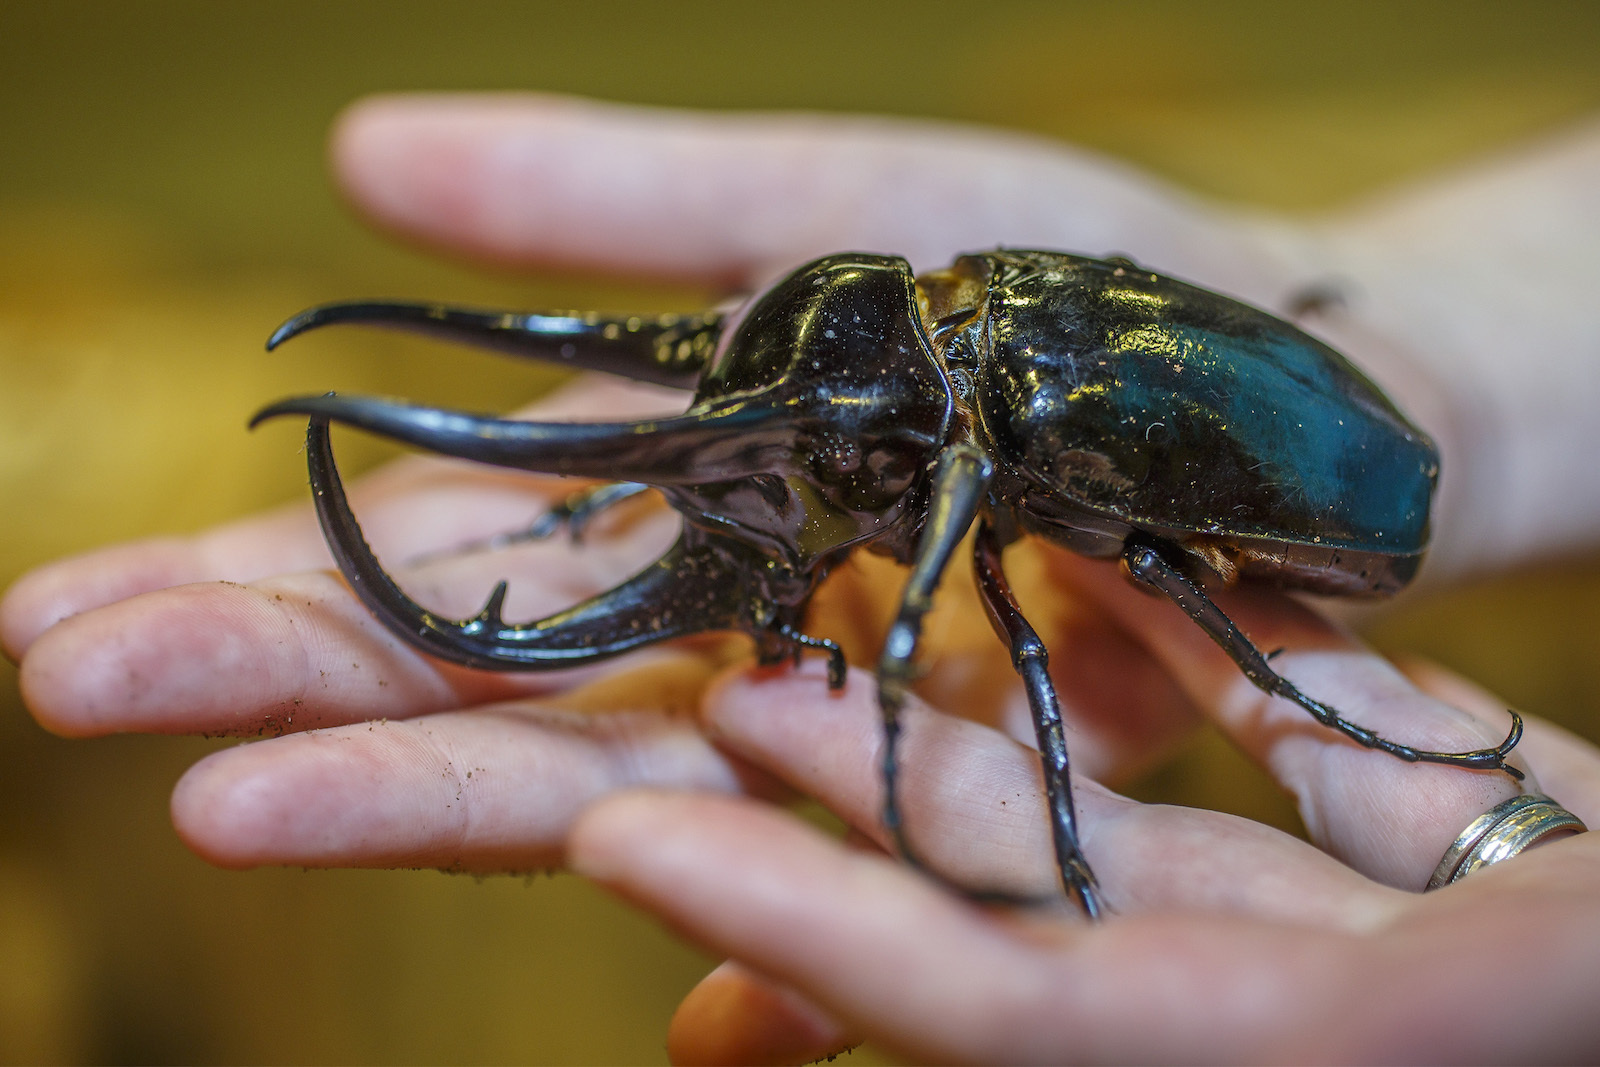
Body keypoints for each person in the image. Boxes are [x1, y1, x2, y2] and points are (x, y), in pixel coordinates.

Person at [4, 94, 1599, 1063]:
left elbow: (961, 611)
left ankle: (1295, 701)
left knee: (1130, 591)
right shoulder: (956, 315)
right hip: (1314, 384)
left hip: (1350, 497)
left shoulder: (1000, 418)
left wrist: (952, 698)